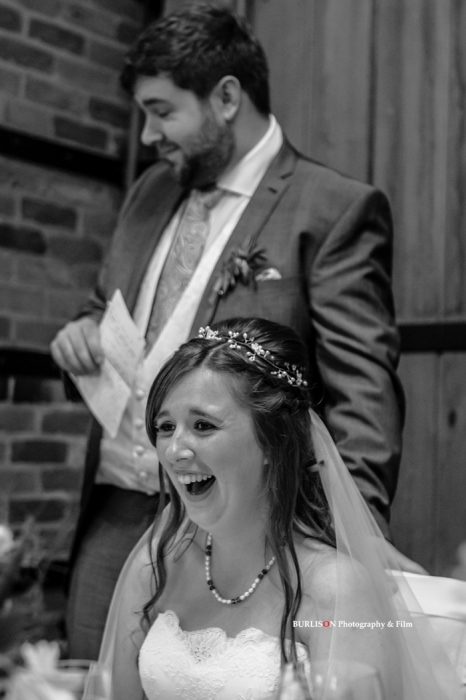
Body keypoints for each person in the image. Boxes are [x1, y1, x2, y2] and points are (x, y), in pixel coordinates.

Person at [50, 4, 414, 660]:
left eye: (162, 111)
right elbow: (107, 301)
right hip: (114, 512)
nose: (148, 134)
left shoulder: (330, 208)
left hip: (248, 528)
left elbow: (363, 396)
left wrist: (341, 543)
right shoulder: (151, 192)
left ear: (225, 98)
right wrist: (83, 326)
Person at [96, 318, 462, 700]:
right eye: (165, 427)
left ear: (273, 441)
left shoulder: (335, 590)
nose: (174, 450)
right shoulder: (159, 556)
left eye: (203, 425)